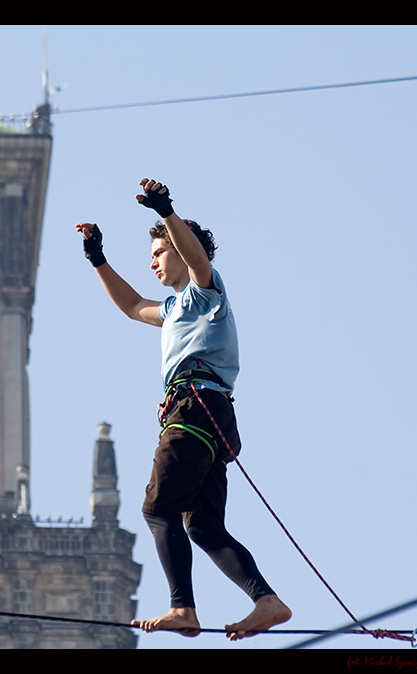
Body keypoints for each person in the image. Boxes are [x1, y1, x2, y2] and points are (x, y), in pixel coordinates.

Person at [75, 178, 291, 640]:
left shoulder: (203, 293)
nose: (153, 262)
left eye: (158, 253)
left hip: (194, 410)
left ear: (177, 247)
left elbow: (198, 261)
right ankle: (266, 600)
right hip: (213, 419)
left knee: (158, 509)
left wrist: (166, 213)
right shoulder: (174, 310)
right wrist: (97, 259)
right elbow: (132, 306)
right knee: (204, 525)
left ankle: (182, 608)